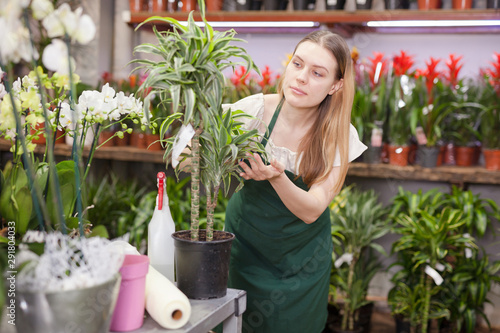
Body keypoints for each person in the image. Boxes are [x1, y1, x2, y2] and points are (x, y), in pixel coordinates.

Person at [222, 30, 367, 333]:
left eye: (317, 73)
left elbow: (312, 209)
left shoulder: (336, 135)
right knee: (236, 323)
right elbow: (193, 159)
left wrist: (276, 177)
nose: (301, 77)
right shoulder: (254, 112)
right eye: (297, 64)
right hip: (243, 248)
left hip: (300, 262)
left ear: (335, 86)